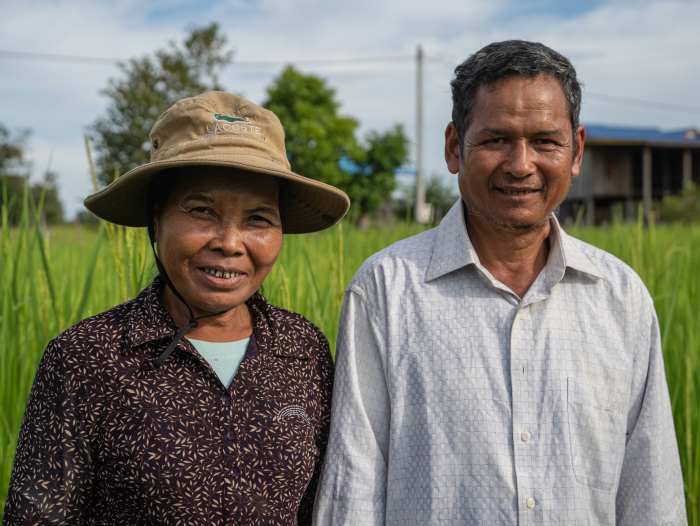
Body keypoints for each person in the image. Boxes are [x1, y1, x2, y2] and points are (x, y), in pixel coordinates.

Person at [313, 41, 687, 525]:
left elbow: (651, 495)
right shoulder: (386, 290)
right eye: (495, 140)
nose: (521, 164)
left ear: (576, 152)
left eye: (546, 141)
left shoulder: (621, 296)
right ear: (454, 147)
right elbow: (353, 495)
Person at [3, 92, 350, 526]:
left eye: (259, 219)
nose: (229, 242)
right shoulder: (84, 358)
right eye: (201, 210)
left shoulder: (303, 349)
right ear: (155, 220)